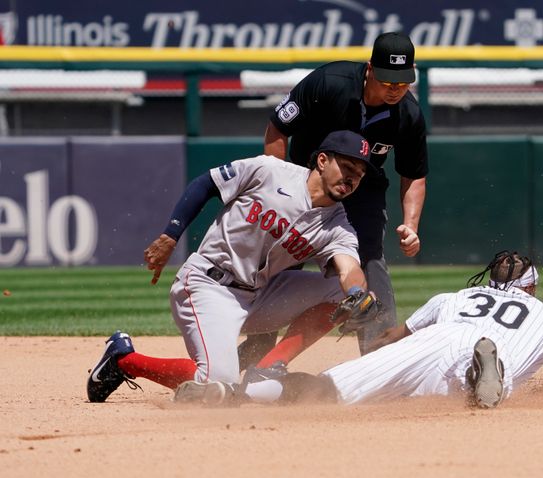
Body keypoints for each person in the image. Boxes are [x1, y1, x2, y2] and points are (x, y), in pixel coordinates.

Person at [86, 130, 379, 402]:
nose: (352, 179)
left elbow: (348, 268)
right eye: (347, 168)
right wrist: (171, 235)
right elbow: (207, 183)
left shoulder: (337, 223)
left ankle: (266, 369)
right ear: (323, 160)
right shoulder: (270, 171)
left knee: (345, 294)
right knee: (217, 382)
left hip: (259, 295)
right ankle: (123, 359)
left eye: (360, 175)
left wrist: (357, 292)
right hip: (208, 285)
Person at [174, 251, 543, 408]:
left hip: (429, 341)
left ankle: (231, 395)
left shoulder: (455, 297)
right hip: (483, 351)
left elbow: (393, 337)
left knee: (329, 390)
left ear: (490, 282)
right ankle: (482, 376)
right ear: (530, 287)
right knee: (478, 390)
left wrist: (373, 348)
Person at [241, 31, 429, 360]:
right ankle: (258, 345)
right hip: (305, 182)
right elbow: (277, 129)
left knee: (368, 257)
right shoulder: (330, 82)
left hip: (363, 190)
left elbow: (413, 175)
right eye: (388, 81)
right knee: (284, 259)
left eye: (402, 82)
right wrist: (279, 187)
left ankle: (379, 356)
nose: (395, 89)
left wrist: (411, 224)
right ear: (370, 69)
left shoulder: (408, 114)